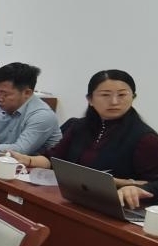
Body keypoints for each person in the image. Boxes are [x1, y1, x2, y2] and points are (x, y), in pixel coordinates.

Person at [9, 70, 158, 193]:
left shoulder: (145, 138)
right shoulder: (79, 126)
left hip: (118, 207)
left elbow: (154, 184)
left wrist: (130, 187)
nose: (114, 101)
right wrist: (27, 160)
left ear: (133, 97)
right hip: (76, 197)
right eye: (105, 95)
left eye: (122, 95)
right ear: (90, 99)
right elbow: (53, 159)